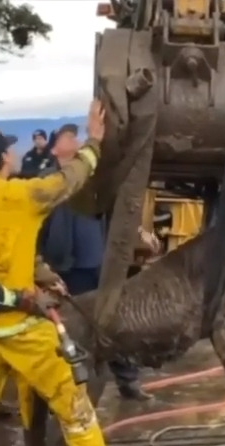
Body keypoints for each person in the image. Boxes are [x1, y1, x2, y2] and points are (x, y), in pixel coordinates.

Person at [0, 101, 116, 446]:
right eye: (8, 149)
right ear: (2, 160)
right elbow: (72, 180)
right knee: (70, 397)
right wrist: (95, 140)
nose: (14, 151)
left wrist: (39, 272)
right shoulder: (20, 195)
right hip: (22, 328)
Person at [36, 123, 155, 401]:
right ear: (55, 147)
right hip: (66, 268)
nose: (75, 140)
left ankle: (128, 381)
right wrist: (41, 265)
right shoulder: (47, 180)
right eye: (68, 136)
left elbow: (117, 212)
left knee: (114, 322)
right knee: (73, 327)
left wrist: (139, 232)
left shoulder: (94, 178)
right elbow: (36, 226)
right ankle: (73, 390)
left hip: (100, 263)